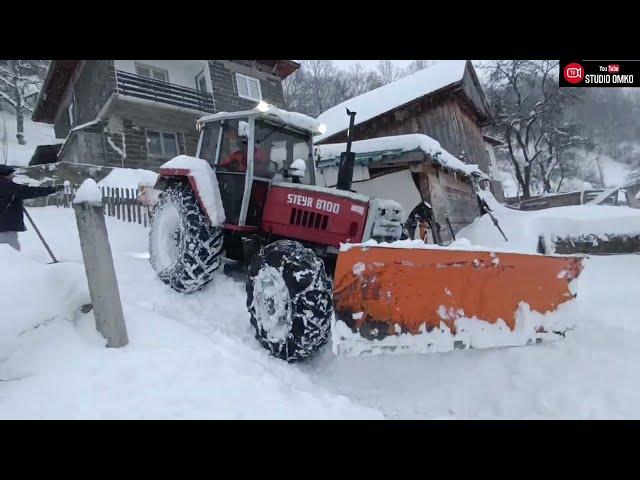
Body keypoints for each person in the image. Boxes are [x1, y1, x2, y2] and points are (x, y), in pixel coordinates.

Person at [0, 165, 64, 251]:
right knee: (10, 249)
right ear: (5, 175)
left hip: (5, 224)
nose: (13, 176)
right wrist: (53, 189)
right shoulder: (9, 186)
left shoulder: (9, 186)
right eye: (11, 174)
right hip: (6, 225)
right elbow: (31, 191)